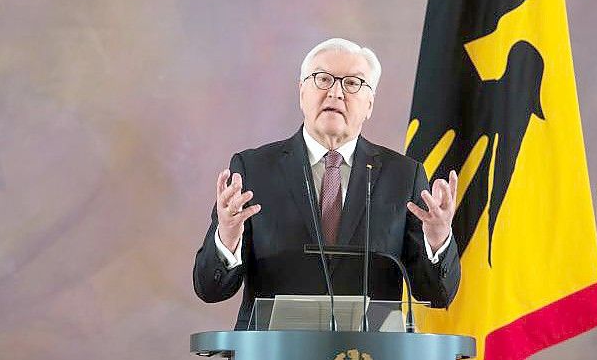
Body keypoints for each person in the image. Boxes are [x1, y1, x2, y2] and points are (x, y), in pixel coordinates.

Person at [193, 38, 461, 330]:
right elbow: (210, 288)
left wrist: (437, 240)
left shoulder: (403, 176)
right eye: (323, 79)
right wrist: (228, 237)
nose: (336, 92)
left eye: (352, 84)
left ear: (370, 103)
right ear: (302, 92)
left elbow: (437, 294)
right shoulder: (253, 170)